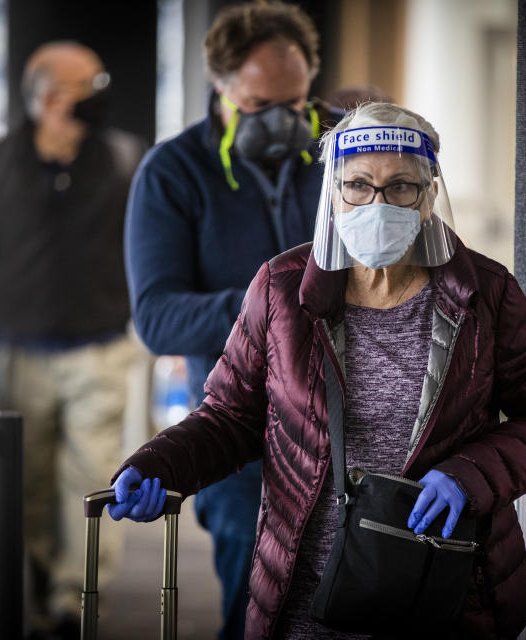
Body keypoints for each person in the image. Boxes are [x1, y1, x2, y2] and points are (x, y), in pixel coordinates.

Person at [111, 101, 526, 638]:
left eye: (400, 186)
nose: (377, 203)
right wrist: (161, 464)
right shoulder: (280, 291)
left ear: (429, 194)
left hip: (447, 592)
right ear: (333, 194)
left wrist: (470, 475)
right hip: (307, 595)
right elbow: (230, 417)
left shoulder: (485, 294)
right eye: (358, 184)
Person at [122, 3, 340, 638]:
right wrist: (271, 309)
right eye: (259, 107)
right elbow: (158, 318)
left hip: (349, 420)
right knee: (258, 606)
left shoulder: (336, 148)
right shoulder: (172, 172)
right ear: (220, 88)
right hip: (238, 434)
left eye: (296, 104)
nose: (283, 123)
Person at [0, 41, 146, 638]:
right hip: (20, 350)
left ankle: (73, 599)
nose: (99, 96)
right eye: (88, 86)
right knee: (26, 483)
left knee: (91, 478)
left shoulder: (124, 159)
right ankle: (33, 579)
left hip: (100, 348)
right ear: (48, 97)